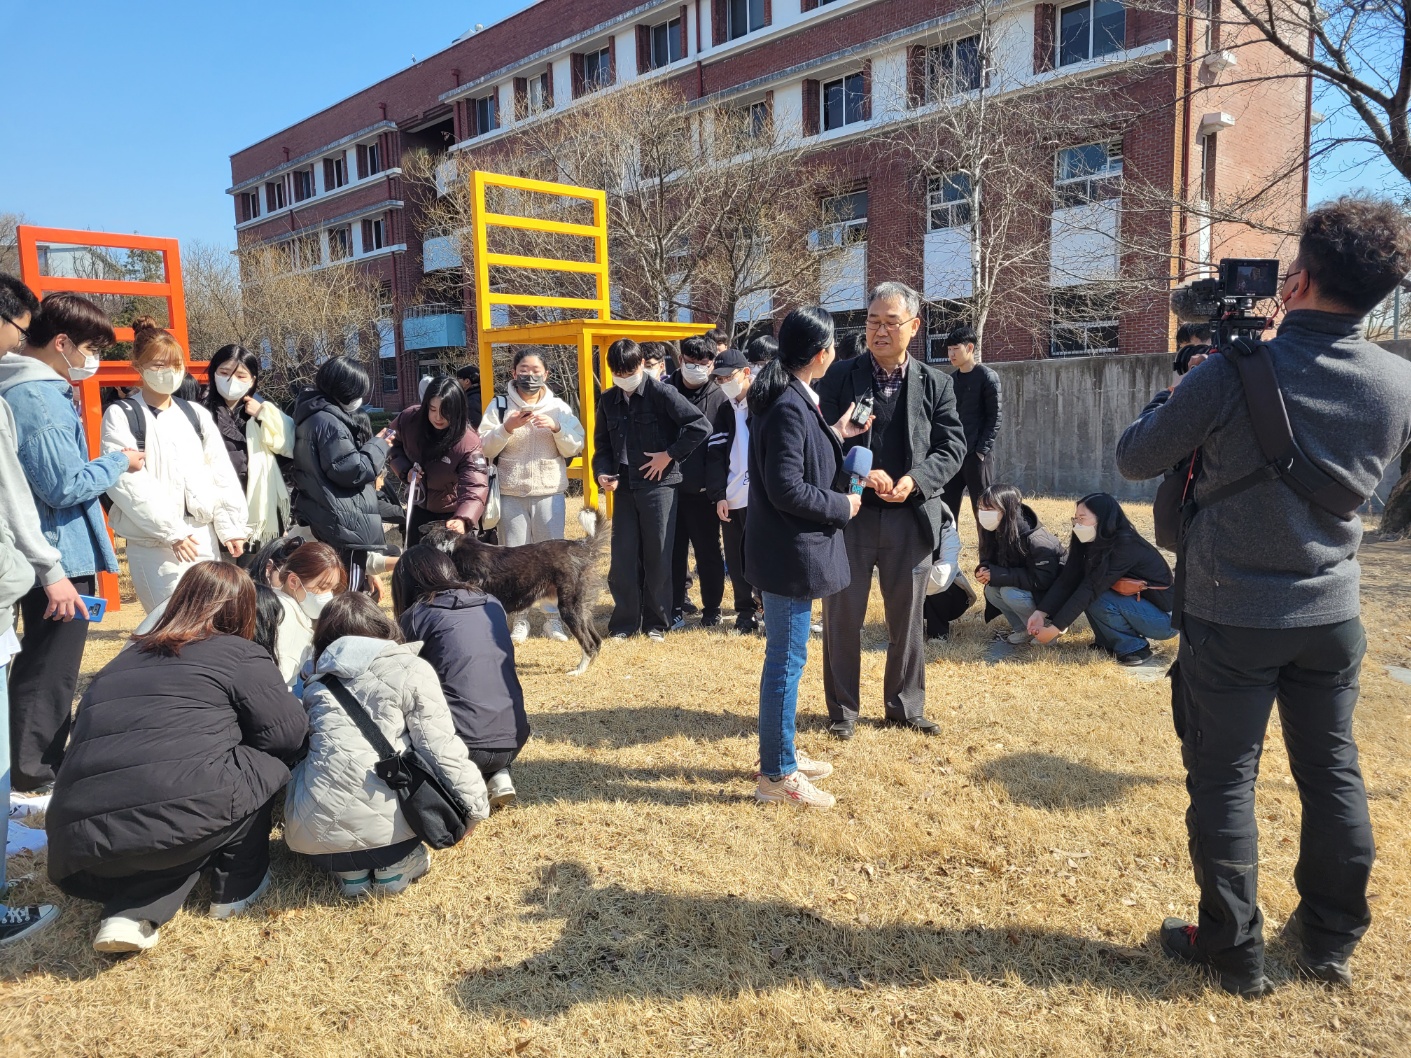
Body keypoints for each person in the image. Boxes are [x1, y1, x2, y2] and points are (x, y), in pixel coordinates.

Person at [1117, 197, 1411, 997]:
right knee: (1332, 771)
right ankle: (1328, 941)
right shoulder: (1397, 381)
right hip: (1331, 613)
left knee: (1223, 780)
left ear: (1300, 280)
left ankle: (1231, 950)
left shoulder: (1230, 371)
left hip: (1231, 612)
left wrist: (1182, 388)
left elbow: (1136, 457)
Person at [46, 562, 307, 953]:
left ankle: (130, 912)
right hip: (174, 825)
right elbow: (287, 734)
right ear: (244, 610)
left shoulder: (122, 659)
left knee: (170, 832)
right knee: (265, 764)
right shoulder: (240, 652)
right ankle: (238, 885)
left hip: (78, 851)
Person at [0, 290, 142, 793]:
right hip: (56, 553)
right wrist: (119, 461)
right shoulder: (38, 398)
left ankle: (27, 766)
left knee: (38, 665)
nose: (93, 359)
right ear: (61, 342)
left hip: (41, 549)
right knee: (50, 670)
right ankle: (33, 773)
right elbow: (63, 486)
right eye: (91, 348)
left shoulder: (24, 389)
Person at [815, 282, 966, 740]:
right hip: (851, 514)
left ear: (914, 327)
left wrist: (915, 480)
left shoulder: (937, 383)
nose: (879, 331)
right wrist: (861, 473)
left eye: (890, 323)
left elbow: (952, 447)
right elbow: (821, 440)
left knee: (908, 618)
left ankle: (904, 706)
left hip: (910, 517)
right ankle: (843, 710)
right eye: (872, 322)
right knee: (842, 616)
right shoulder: (840, 377)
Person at [284, 592, 488, 899]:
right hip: (392, 834)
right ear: (381, 625)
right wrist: (473, 809)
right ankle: (396, 866)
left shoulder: (315, 683)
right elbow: (440, 747)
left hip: (315, 838)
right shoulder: (411, 669)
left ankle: (351, 875)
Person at [744, 307, 867, 808]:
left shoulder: (789, 395)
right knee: (786, 662)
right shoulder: (789, 404)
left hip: (784, 551)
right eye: (832, 345)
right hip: (789, 555)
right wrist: (843, 506)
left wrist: (836, 433)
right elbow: (787, 488)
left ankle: (780, 754)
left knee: (786, 659)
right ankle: (777, 776)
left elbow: (798, 457)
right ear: (820, 354)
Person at [102, 317, 248, 614]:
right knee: (168, 621)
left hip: (202, 534)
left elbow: (219, 473)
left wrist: (231, 527)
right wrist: (173, 531)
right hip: (155, 542)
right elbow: (128, 483)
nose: (169, 372)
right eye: (159, 365)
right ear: (139, 367)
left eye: (176, 364)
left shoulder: (195, 413)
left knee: (210, 618)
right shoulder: (123, 415)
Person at [0, 280, 64, 943]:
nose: (19, 343)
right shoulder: (29, 397)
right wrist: (49, 567)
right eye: (19, 330)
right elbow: (27, 494)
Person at [392, 546, 529, 807]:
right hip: (513, 738)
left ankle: (462, 780)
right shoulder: (491, 603)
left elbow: (400, 681)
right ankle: (498, 771)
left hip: (460, 743)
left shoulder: (417, 615)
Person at [592, 339, 709, 642]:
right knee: (623, 556)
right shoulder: (608, 399)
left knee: (658, 553)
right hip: (624, 484)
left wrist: (669, 455)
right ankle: (624, 623)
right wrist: (602, 473)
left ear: (641, 364)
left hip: (660, 485)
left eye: (629, 371)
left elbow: (700, 426)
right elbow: (602, 445)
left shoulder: (662, 393)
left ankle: (657, 622)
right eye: (618, 373)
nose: (624, 377)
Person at [478, 349, 586, 642]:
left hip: (549, 492)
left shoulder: (559, 407)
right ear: (513, 373)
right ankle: (519, 620)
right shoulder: (499, 406)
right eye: (524, 370)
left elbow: (576, 445)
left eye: (536, 370)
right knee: (513, 559)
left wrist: (556, 427)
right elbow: (483, 447)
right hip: (510, 493)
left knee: (553, 561)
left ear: (546, 374)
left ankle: (553, 620)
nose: (530, 376)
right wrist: (507, 427)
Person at [1026, 493, 1175, 664]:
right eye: (1075, 518)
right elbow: (1068, 579)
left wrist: (1055, 628)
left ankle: (1134, 647)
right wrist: (1041, 612)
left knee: (1096, 596)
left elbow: (1091, 588)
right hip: (1139, 606)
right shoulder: (1091, 540)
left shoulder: (1126, 545)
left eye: (1082, 518)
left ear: (1103, 518)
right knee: (1090, 593)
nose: (1077, 524)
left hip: (1165, 619)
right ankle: (1107, 642)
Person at [290, 355, 393, 591]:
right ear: (345, 390)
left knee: (332, 588)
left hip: (327, 517)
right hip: (344, 524)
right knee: (348, 592)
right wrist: (380, 445)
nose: (359, 399)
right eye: (358, 393)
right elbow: (351, 470)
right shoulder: (329, 422)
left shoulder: (312, 415)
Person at [202, 344, 295, 569]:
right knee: (221, 577)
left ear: (252, 380)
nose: (231, 380)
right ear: (213, 373)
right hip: (216, 510)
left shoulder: (261, 412)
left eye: (240, 375)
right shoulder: (200, 412)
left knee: (254, 576)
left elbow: (288, 445)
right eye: (224, 372)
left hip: (257, 509)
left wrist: (264, 414)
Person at [667, 336, 728, 628]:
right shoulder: (665, 391)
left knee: (708, 552)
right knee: (673, 551)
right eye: (691, 363)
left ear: (712, 364)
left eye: (703, 364)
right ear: (681, 360)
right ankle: (675, 605)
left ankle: (712, 607)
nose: (696, 369)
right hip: (669, 487)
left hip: (704, 490)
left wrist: (717, 488)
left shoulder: (719, 397)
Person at [387, 376, 489, 546]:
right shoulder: (408, 420)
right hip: (418, 507)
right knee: (415, 558)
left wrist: (464, 518)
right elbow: (391, 444)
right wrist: (405, 470)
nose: (438, 417)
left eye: (445, 411)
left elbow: (475, 485)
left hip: (451, 514)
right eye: (432, 409)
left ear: (457, 410)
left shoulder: (468, 442)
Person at [705, 348, 760, 634]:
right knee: (736, 560)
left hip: (760, 497)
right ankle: (744, 614)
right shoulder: (725, 410)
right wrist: (719, 495)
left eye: (728, 377)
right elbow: (715, 455)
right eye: (719, 379)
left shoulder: (764, 404)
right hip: (732, 495)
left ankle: (767, 609)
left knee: (762, 558)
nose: (723, 383)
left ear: (746, 373)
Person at [973, 484, 1066, 644]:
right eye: (981, 508)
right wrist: (984, 569)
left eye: (990, 509)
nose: (983, 513)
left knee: (1010, 593)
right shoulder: (993, 530)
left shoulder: (1037, 540)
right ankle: (1024, 629)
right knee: (991, 590)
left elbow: (1043, 580)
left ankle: (1047, 629)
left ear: (1008, 510)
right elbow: (989, 557)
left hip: (1051, 593)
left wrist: (998, 575)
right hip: (1027, 585)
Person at [258, 537, 347, 692]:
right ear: (293, 581)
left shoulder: (275, 600)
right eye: (322, 587)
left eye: (332, 589)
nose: (328, 596)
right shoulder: (285, 616)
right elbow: (278, 682)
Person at [938, 324, 1002, 527]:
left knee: (984, 511)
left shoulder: (987, 377)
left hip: (977, 456)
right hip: (954, 455)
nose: (951, 354)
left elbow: (995, 417)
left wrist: (981, 451)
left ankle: (988, 548)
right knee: (946, 511)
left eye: (955, 349)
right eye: (949, 349)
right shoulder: (950, 380)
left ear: (970, 348)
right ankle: (947, 547)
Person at [455, 363, 484, 429]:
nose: (456, 381)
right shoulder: (480, 394)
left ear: (467, 381)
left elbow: (474, 426)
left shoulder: (471, 401)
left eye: (458, 378)